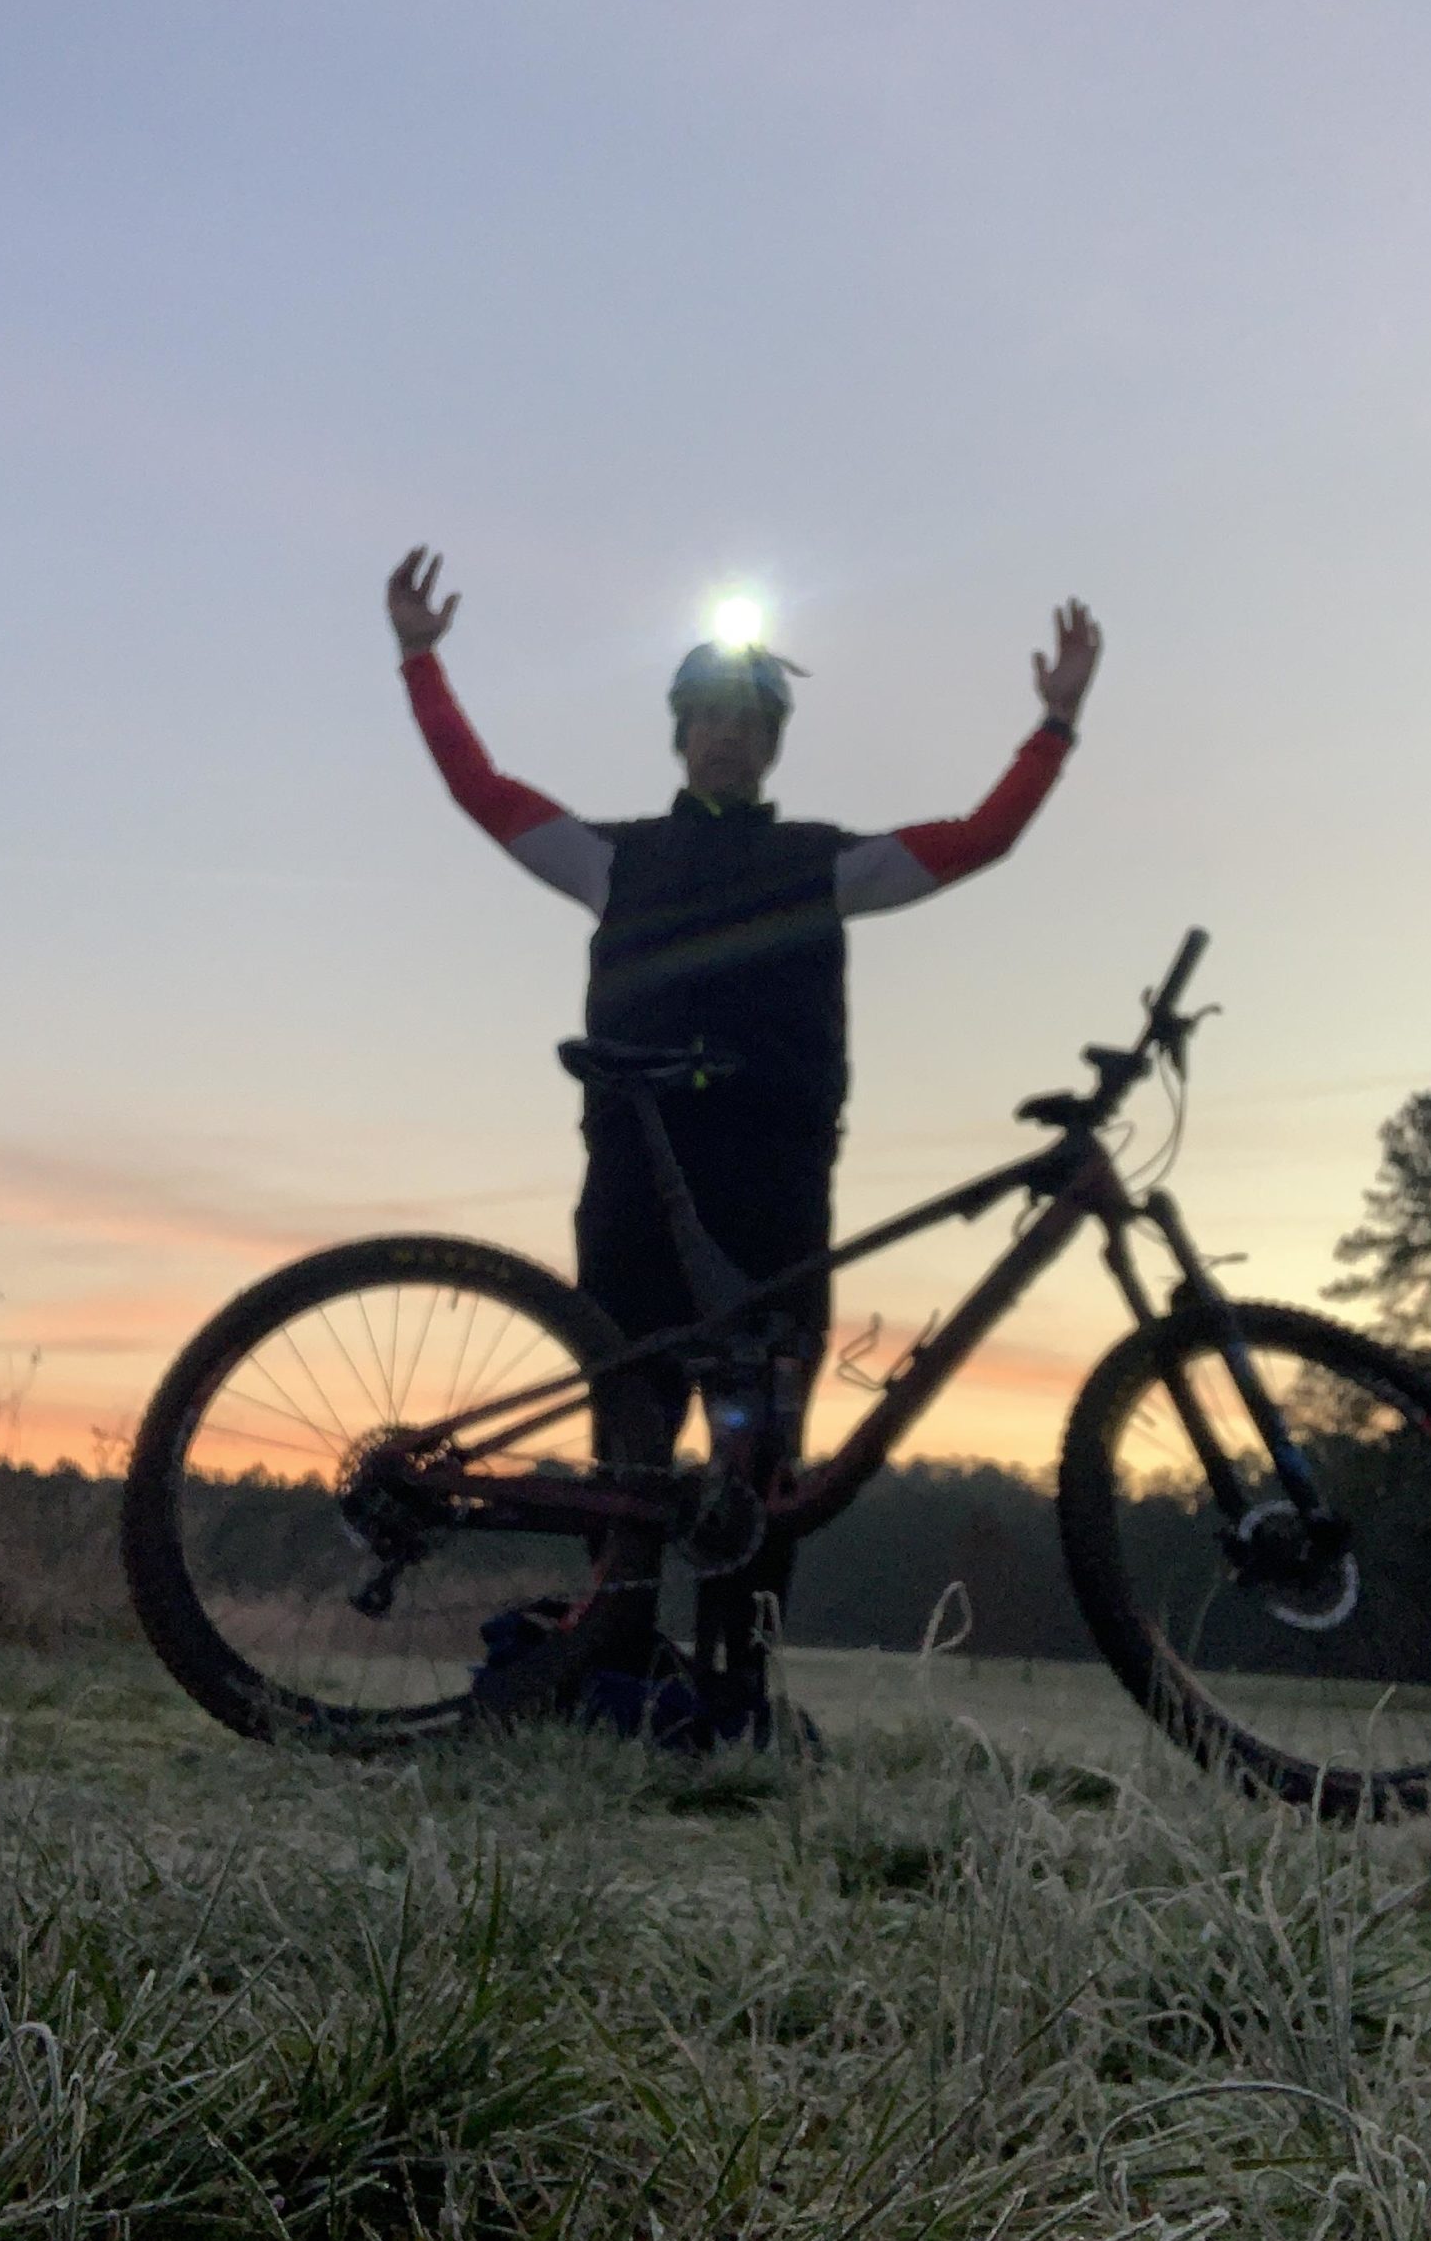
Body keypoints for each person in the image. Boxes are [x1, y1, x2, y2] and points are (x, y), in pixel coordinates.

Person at [386, 546, 1101, 1697]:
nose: (725, 736)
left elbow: (979, 838)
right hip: (638, 1179)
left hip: (772, 1187)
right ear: (681, 736)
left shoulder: (821, 864)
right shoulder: (611, 858)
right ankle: (602, 1661)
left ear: (771, 746)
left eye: (747, 723)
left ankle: (737, 1688)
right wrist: (422, 658)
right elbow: (485, 791)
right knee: (633, 1434)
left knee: (760, 1456)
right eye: (707, 718)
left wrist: (1053, 725)